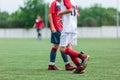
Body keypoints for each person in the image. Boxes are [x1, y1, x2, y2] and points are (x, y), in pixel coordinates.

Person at [58, 0, 90, 74]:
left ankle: (82, 56)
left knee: (62, 49)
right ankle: (79, 67)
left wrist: (60, 13)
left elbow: (69, 10)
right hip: (73, 27)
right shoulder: (74, 2)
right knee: (70, 50)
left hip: (67, 28)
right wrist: (63, 19)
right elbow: (77, 14)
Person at [48, 0, 76, 70]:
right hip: (57, 28)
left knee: (56, 45)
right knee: (64, 45)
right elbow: (49, 14)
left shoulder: (63, 3)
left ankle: (51, 65)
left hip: (62, 27)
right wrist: (52, 26)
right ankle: (67, 64)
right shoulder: (54, 3)